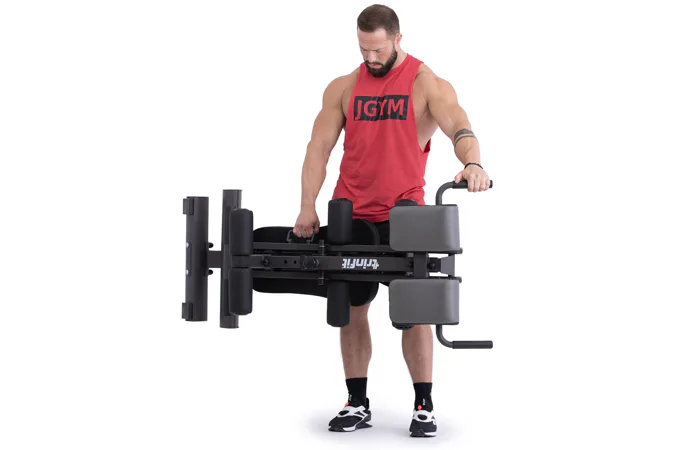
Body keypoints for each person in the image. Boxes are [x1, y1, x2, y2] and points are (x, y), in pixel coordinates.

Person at [292, 4, 491, 438]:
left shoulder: (425, 82)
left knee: (415, 312)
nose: (370, 57)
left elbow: (459, 125)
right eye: (363, 49)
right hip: (349, 212)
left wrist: (473, 163)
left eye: (378, 50)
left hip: (404, 215)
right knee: (352, 309)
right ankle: (356, 402)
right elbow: (318, 148)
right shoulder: (344, 87)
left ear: (398, 39)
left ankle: (423, 406)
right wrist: (308, 205)